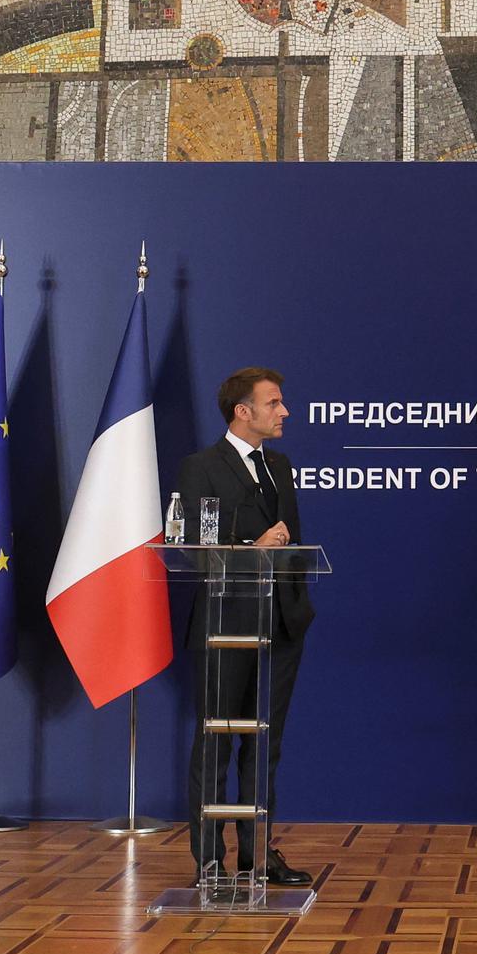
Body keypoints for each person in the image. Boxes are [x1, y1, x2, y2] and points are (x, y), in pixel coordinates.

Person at [177, 367, 315, 886]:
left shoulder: (279, 465)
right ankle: (209, 861)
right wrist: (248, 552)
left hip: (280, 623)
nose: (284, 412)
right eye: (274, 403)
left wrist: (298, 604)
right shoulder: (201, 467)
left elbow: (293, 542)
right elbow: (191, 547)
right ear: (243, 411)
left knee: (265, 743)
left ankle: (257, 856)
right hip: (224, 623)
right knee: (215, 741)